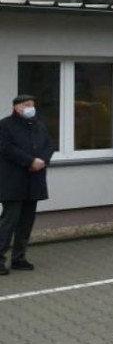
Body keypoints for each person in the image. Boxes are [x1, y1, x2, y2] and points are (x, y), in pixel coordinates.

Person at [0, 95, 55, 274]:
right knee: (9, 222)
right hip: (13, 181)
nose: (31, 108)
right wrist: (29, 161)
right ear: (17, 107)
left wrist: (42, 161)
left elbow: (49, 145)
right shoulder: (5, 125)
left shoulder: (39, 125)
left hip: (34, 181)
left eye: (32, 104)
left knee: (26, 222)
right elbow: (6, 148)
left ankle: (19, 258)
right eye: (27, 105)